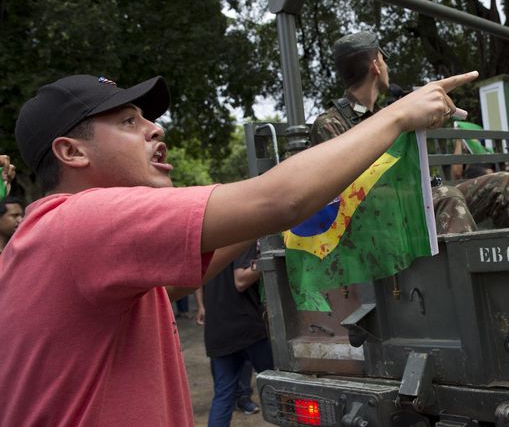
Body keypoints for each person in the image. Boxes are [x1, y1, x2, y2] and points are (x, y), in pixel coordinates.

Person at [0, 69, 474, 425]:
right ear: (73, 152)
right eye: (129, 121)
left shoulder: (65, 241)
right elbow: (277, 199)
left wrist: (308, 193)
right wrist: (398, 113)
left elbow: (191, 271)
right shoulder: (82, 220)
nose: (155, 129)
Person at [311, 31, 509, 230]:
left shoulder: (390, 116)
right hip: (379, 220)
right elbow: (345, 199)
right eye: (384, 61)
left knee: (504, 184)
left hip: (414, 201)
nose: (387, 68)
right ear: (376, 66)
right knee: (447, 197)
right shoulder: (331, 124)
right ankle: (465, 271)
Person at [203, 241, 271, 426]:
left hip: (218, 331)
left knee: (223, 396)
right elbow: (241, 280)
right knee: (279, 389)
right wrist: (267, 260)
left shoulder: (209, 244)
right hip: (247, 327)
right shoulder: (243, 238)